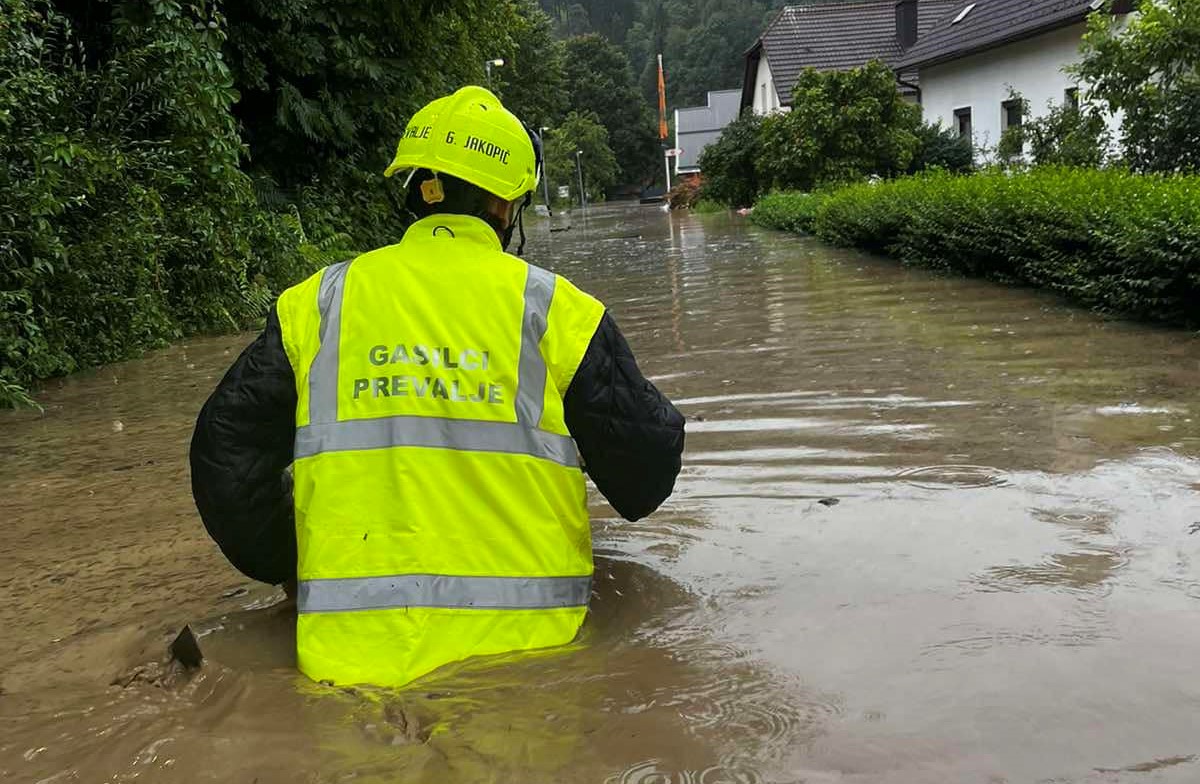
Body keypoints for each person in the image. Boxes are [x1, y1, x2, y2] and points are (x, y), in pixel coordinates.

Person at [189, 85, 685, 688]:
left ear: (415, 191)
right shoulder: (557, 312)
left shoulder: (318, 306)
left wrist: (290, 564)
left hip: (345, 672)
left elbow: (223, 452)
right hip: (536, 667)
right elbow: (647, 471)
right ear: (507, 207)